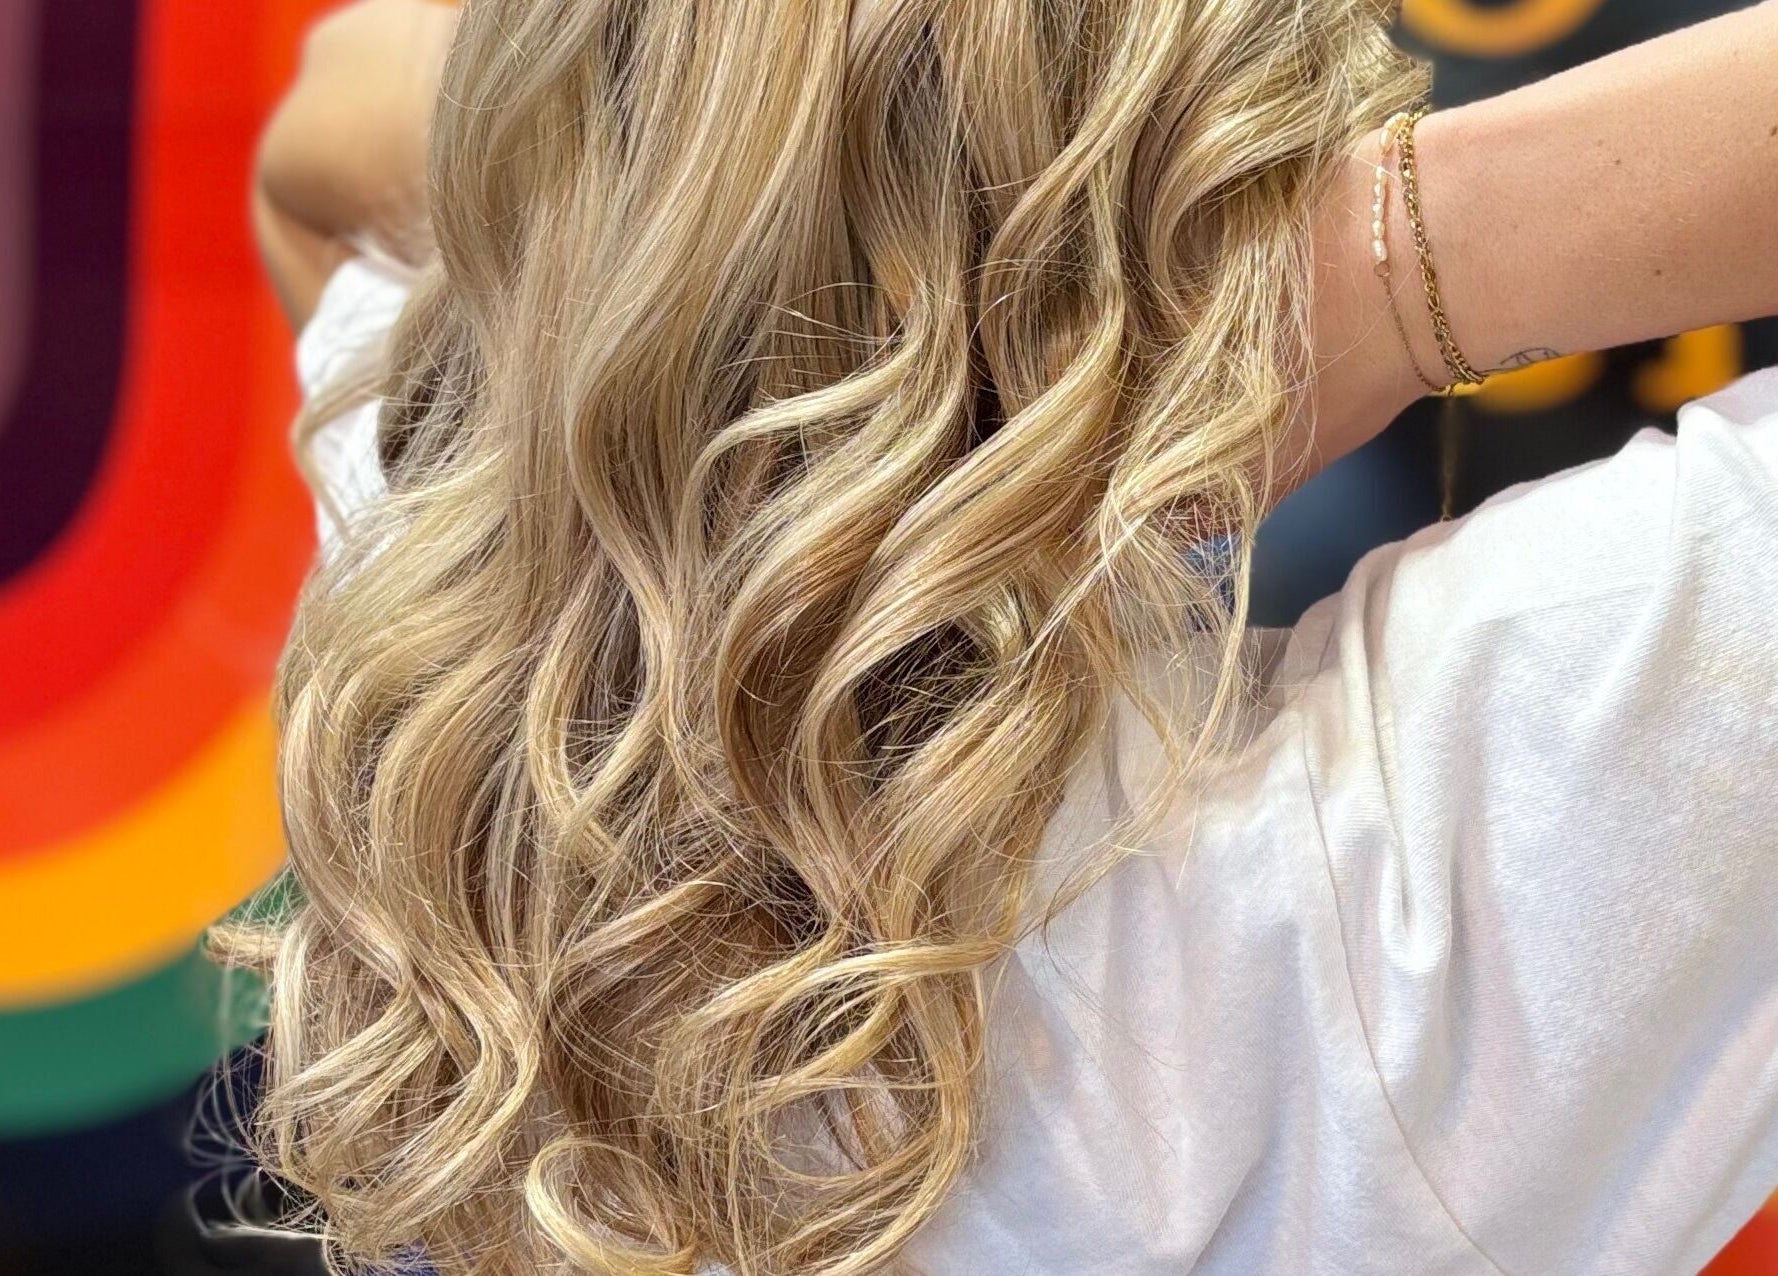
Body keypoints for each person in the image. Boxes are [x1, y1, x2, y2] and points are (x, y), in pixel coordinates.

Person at [229, 1, 1778, 1272]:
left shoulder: (419, 544)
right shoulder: (1373, 882)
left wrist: (692, 104)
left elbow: (318, 139)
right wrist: (1369, 276)